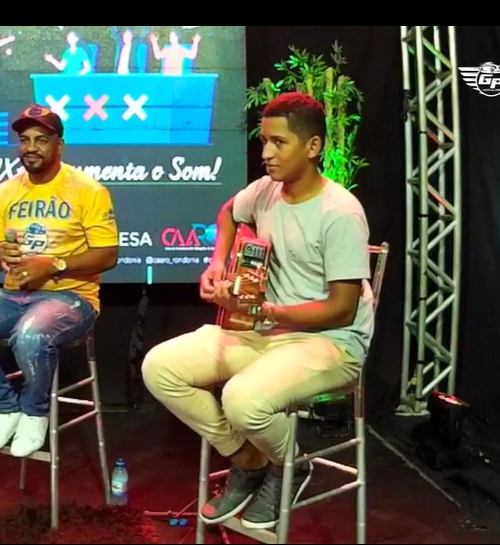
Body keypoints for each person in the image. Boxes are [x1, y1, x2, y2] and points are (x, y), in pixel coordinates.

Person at [141, 92, 374, 529]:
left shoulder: (340, 212)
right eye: (264, 141)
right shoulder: (265, 192)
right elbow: (229, 212)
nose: (266, 153)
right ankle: (248, 458)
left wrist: (265, 310)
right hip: (266, 333)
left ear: (312, 146)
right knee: (160, 367)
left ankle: (292, 465)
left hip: (330, 343)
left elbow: (341, 311)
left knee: (242, 398)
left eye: (279, 142)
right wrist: (217, 262)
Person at [0, 104, 119, 458]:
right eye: (25, 140)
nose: (31, 148)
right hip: (15, 294)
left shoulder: (88, 190)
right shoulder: (6, 192)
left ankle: (35, 413)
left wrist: (52, 265)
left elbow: (107, 255)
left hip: (71, 297)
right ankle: (6, 408)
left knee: (31, 335)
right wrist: (2, 255)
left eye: (41, 139)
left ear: (59, 145)